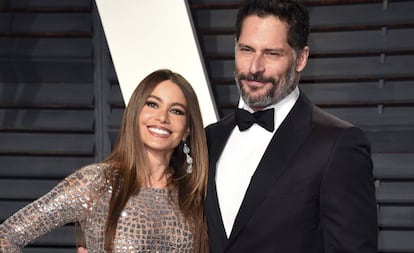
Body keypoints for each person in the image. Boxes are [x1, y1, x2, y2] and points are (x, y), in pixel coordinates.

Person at [204, 0, 378, 252]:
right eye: (246, 50)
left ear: (301, 59)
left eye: (271, 53)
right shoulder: (210, 138)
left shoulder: (337, 144)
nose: (254, 68)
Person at [0, 69, 209, 252]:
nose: (162, 117)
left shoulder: (194, 194)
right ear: (135, 114)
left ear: (186, 130)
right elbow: (6, 237)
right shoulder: (96, 182)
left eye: (176, 111)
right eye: (153, 104)